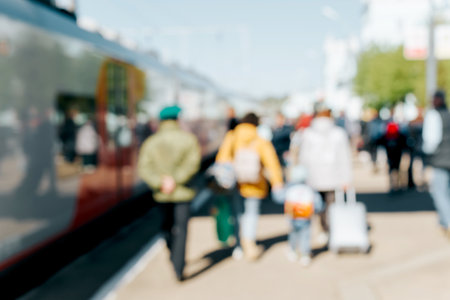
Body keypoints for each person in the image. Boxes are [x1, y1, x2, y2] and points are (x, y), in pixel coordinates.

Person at [138, 105, 201, 281]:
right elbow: (192, 164)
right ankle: (178, 266)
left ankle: (173, 255)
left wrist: (161, 182)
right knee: (181, 229)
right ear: (177, 120)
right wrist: (176, 180)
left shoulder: (151, 142)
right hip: (183, 193)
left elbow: (144, 167)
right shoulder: (189, 140)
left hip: (161, 194)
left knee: (166, 227)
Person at [216, 112, 283, 261]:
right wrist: (277, 182)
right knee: (251, 214)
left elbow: (222, 158)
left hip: (235, 184)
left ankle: (238, 246)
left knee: (237, 214)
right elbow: (271, 162)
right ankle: (250, 244)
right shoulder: (260, 139)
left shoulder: (232, 136)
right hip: (255, 184)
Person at [297, 103, 352, 243]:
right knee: (332, 205)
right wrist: (346, 178)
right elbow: (344, 157)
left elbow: (303, 157)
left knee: (316, 206)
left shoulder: (308, 133)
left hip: (313, 177)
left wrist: (303, 177)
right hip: (334, 176)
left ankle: (321, 229)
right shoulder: (338, 133)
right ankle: (331, 229)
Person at [422, 90, 450, 238]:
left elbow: (431, 140)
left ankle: (447, 221)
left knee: (439, 192)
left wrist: (426, 155)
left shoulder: (433, 115)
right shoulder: (448, 113)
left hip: (440, 159)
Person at [284, 165, 323, 266]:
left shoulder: (289, 188)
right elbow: (318, 203)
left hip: (293, 217)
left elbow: (280, 197)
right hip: (306, 217)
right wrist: (318, 209)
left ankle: (293, 251)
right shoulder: (309, 189)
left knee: (293, 235)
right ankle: (305, 254)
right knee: (305, 236)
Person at [379, 121, 407, 193]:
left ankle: (393, 185)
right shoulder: (398, 136)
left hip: (391, 155)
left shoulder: (387, 136)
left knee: (392, 170)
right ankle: (396, 185)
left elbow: (379, 141)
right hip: (396, 155)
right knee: (397, 170)